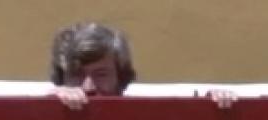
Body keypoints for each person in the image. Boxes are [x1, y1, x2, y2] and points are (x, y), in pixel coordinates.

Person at [48, 21, 234, 110]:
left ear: (120, 77)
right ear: (62, 78)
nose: (88, 87)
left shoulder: (146, 118)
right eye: (77, 75)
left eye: (101, 74)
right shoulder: (53, 104)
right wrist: (48, 103)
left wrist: (213, 106)